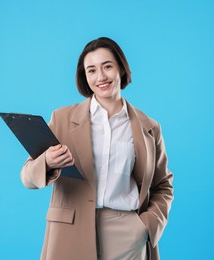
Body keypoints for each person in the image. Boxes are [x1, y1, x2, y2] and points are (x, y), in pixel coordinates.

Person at [20, 37, 174, 260]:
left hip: (127, 234)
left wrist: (147, 226)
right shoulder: (62, 119)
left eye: (107, 67)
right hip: (70, 230)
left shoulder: (149, 127)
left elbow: (163, 185)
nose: (100, 77)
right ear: (84, 76)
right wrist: (47, 162)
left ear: (121, 68)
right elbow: (27, 177)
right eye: (91, 70)